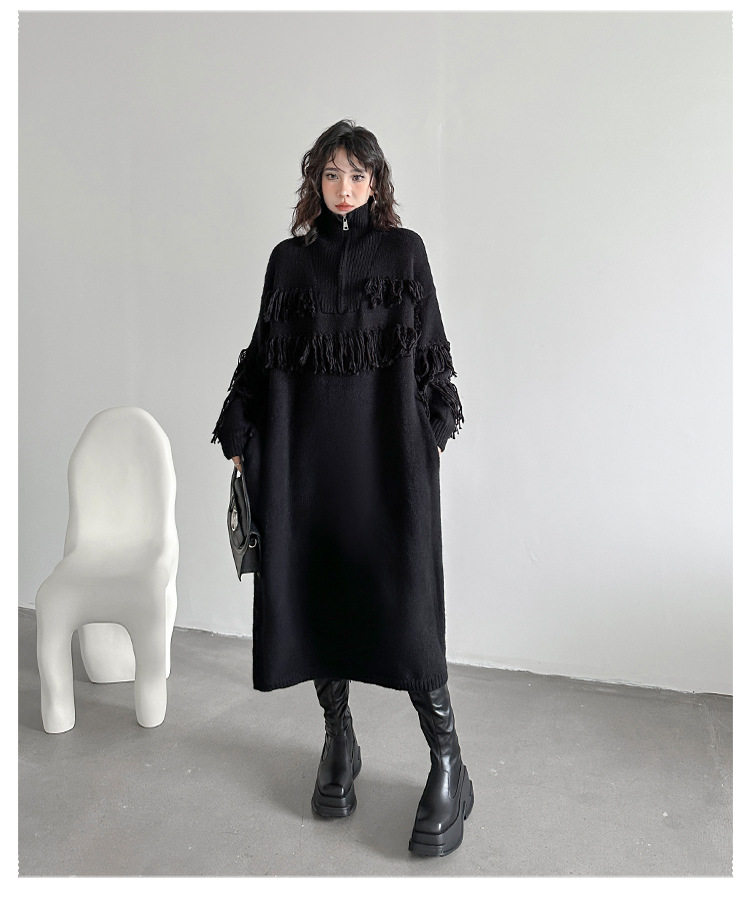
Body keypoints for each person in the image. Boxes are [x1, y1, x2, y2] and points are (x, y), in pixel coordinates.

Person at [211, 120, 472, 857]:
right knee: (320, 596)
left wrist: (425, 438)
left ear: (376, 182)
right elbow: (263, 354)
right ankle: (339, 738)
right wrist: (242, 433)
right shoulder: (289, 262)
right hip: (309, 467)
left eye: (357, 174)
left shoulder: (404, 252)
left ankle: (448, 762)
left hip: (386, 465)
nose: (344, 188)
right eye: (331, 174)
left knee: (410, 614)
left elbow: (432, 355)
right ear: (315, 182)